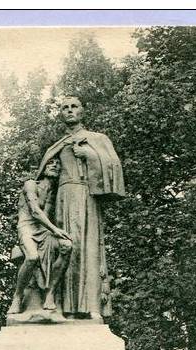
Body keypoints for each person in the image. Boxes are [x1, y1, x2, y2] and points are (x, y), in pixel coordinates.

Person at [36, 96, 125, 321]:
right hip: (63, 201)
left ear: (82, 111)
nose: (69, 111)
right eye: (65, 108)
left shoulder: (96, 138)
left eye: (74, 107)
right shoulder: (57, 145)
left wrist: (90, 155)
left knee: (89, 248)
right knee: (67, 248)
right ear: (61, 114)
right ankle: (65, 307)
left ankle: (92, 307)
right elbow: (45, 181)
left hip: (86, 197)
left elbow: (114, 166)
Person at [8, 157, 72, 315]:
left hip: (43, 230)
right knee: (32, 257)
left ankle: (50, 294)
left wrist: (55, 232)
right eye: (51, 163)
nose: (55, 166)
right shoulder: (30, 184)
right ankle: (17, 296)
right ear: (43, 167)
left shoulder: (52, 192)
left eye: (58, 164)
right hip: (27, 227)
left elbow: (48, 215)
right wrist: (56, 230)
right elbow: (35, 211)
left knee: (67, 246)